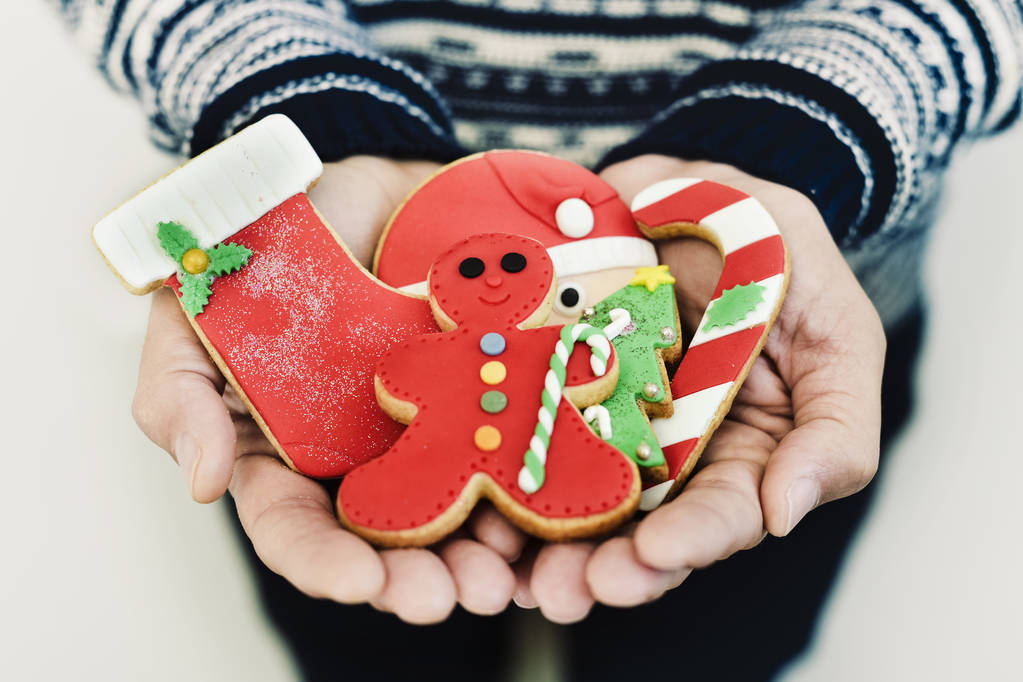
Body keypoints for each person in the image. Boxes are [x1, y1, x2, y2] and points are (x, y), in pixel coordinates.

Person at [62, 0, 1022, 679]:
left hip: (769, 335)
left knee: (713, 633)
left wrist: (797, 130)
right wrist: (304, 108)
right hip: (353, 245)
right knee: (373, 638)